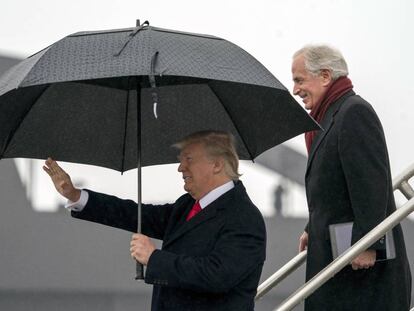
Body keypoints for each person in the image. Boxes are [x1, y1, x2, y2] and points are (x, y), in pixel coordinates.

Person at [43, 130, 266, 311]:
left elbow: (216, 276)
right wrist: (75, 195)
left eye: (188, 159)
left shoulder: (244, 218)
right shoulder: (186, 205)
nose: (181, 168)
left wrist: (154, 258)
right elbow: (133, 214)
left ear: (216, 164)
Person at [292, 44, 411, 310]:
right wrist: (313, 227)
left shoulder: (353, 112)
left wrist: (367, 243)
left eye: (299, 80)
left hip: (363, 274)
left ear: (325, 76)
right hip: (341, 265)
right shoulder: (328, 118)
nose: (295, 90)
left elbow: (371, 183)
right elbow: (336, 190)